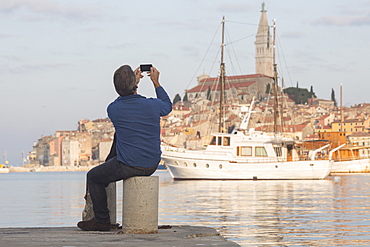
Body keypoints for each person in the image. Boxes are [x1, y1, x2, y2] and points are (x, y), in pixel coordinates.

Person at [77, 65, 172, 231]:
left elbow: (124, 102)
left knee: (93, 176)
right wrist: (156, 82)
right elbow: (167, 105)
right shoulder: (152, 106)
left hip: (129, 165)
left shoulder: (113, 109)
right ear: (134, 85)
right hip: (151, 164)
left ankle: (102, 220)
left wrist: (132, 84)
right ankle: (102, 219)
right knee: (119, 135)